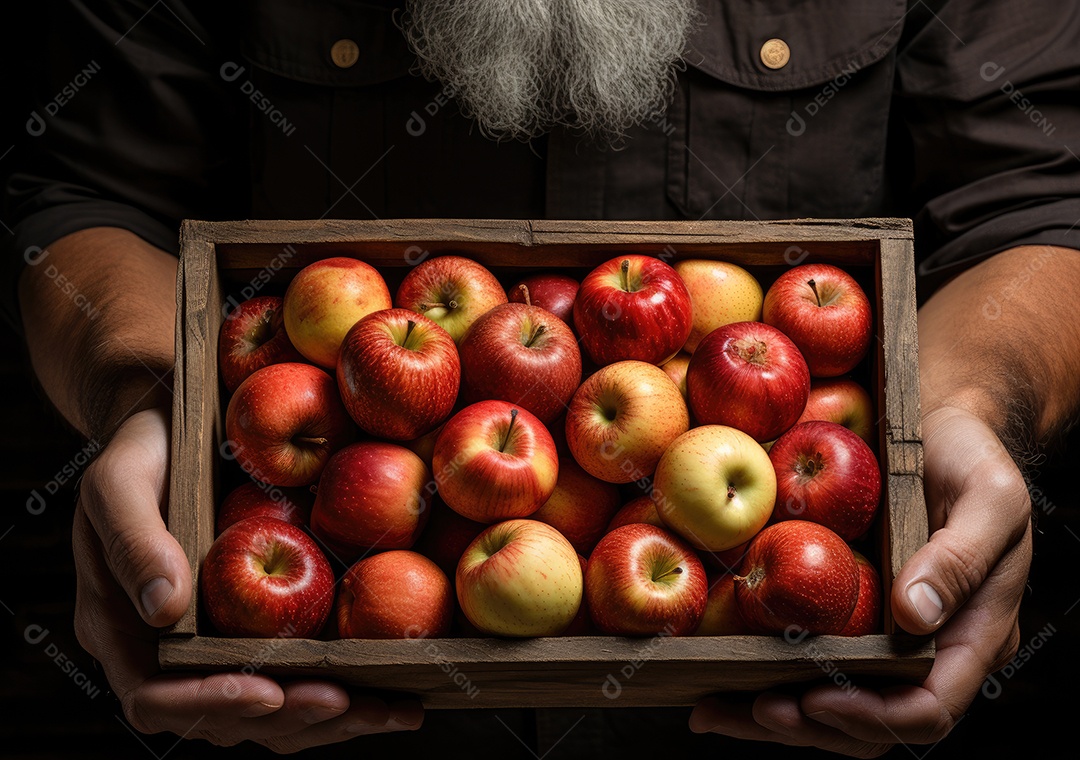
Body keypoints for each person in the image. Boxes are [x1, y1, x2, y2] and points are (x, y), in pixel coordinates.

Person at [4, 0, 1078, 756]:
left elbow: (1035, 203)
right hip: (312, 684)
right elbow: (89, 189)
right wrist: (152, 403)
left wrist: (963, 409)